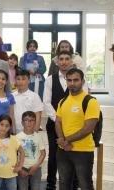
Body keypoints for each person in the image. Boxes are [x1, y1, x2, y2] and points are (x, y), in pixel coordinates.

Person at [43, 51, 84, 190]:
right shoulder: (50, 79)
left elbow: (84, 100)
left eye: (67, 59)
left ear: (71, 61)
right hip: (54, 124)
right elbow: (46, 103)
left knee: (74, 154)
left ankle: (74, 183)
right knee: (54, 155)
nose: (64, 62)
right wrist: (58, 120)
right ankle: (50, 183)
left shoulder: (80, 79)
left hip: (75, 126)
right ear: (57, 62)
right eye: (61, 59)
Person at [55, 68, 100, 190]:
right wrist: (61, 139)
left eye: (76, 80)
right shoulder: (62, 101)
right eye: (69, 80)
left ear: (83, 81)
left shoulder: (90, 101)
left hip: (83, 151)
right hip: (63, 150)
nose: (72, 83)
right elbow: (58, 122)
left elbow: (88, 129)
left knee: (85, 185)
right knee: (64, 184)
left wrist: (66, 140)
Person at [0, 115, 25, 190]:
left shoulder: (14, 139)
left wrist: (20, 166)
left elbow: (22, 153)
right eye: (2, 125)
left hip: (11, 174)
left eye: (7, 126)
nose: (4, 128)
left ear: (10, 127)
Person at [16, 111, 46, 190]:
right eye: (26, 120)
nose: (29, 123)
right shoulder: (17, 137)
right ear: (22, 123)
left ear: (35, 122)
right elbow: (13, 155)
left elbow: (43, 153)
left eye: (31, 120)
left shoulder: (38, 137)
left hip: (36, 168)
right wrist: (19, 168)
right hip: (22, 168)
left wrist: (36, 166)